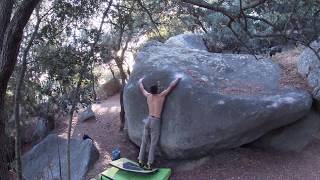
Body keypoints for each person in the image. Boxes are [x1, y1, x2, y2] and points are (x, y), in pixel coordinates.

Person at [137, 77, 181, 169]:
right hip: (155, 121)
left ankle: (140, 160)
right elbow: (171, 86)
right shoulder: (161, 96)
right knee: (153, 143)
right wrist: (178, 78)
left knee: (144, 141)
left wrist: (140, 81)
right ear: (157, 91)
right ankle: (149, 164)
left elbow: (142, 88)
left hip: (148, 120)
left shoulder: (148, 96)